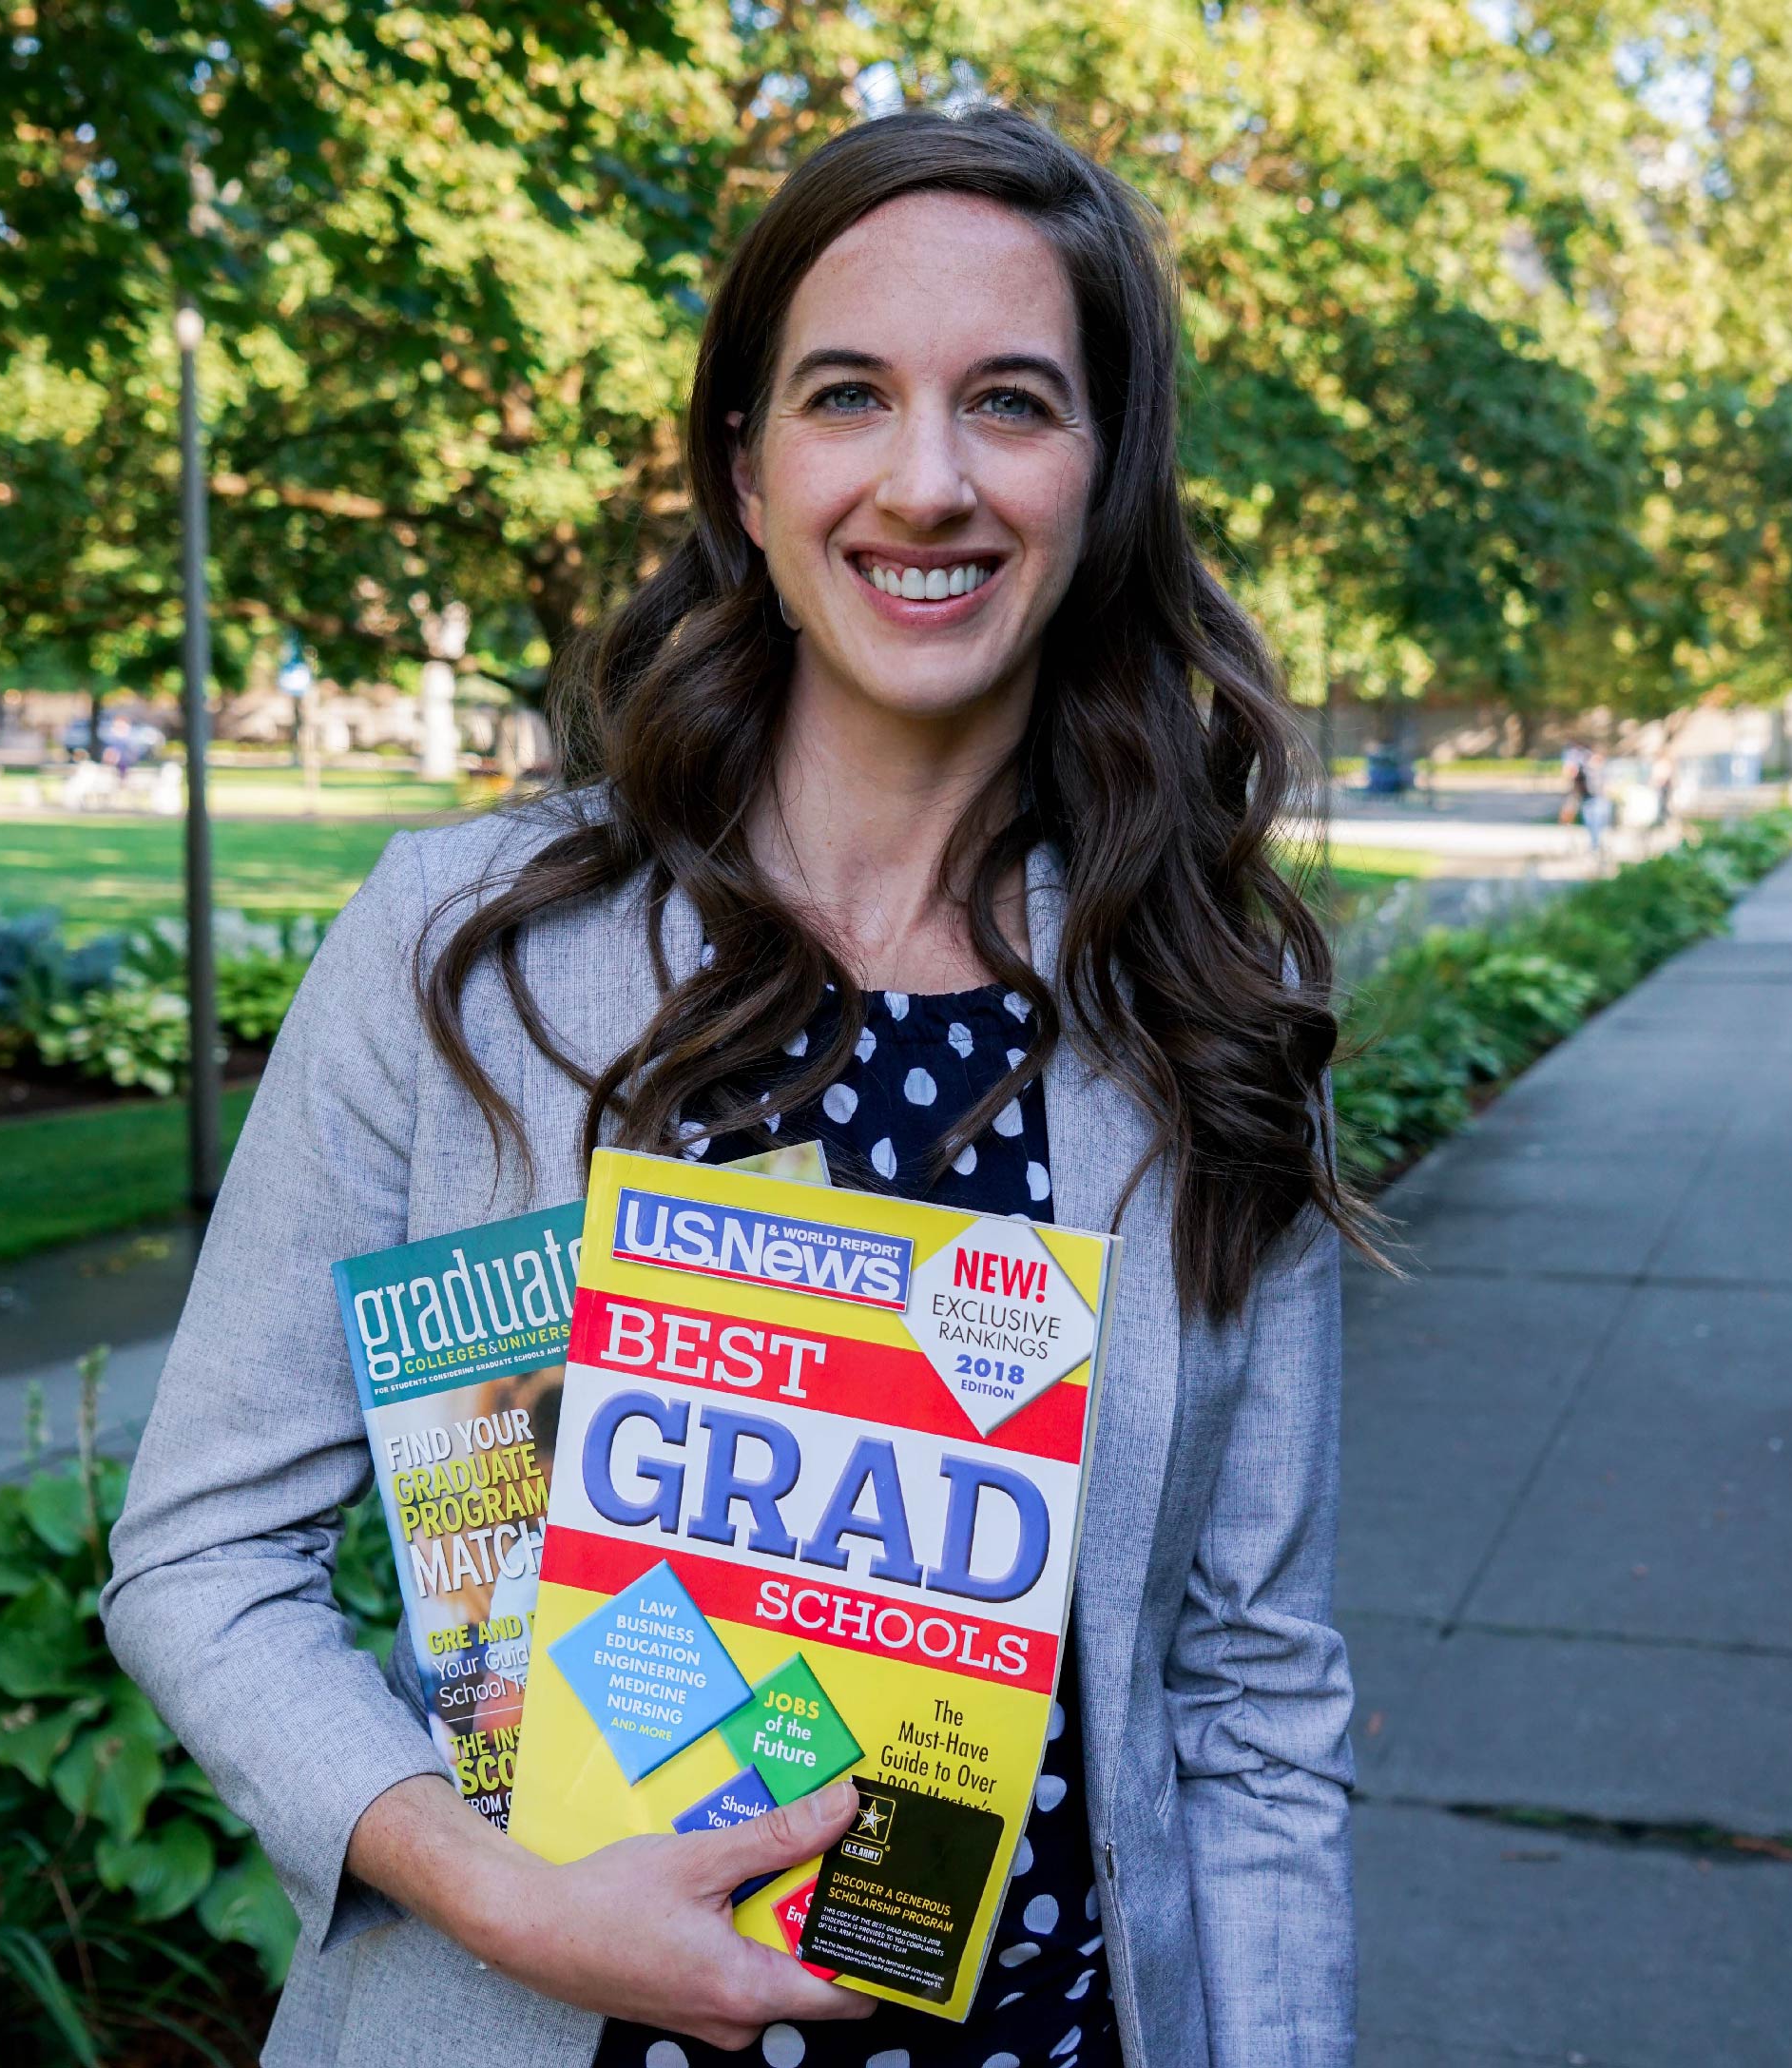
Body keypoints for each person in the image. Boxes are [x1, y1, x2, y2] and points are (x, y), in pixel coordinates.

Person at [104, 104, 1360, 2068]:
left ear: (1103, 477)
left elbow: (1253, 1693)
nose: (926, 481)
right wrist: (498, 1884)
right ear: (747, 473)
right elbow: (200, 1556)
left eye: (1013, 402)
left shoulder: (1205, 1001)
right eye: (849, 394)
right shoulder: (472, 951)